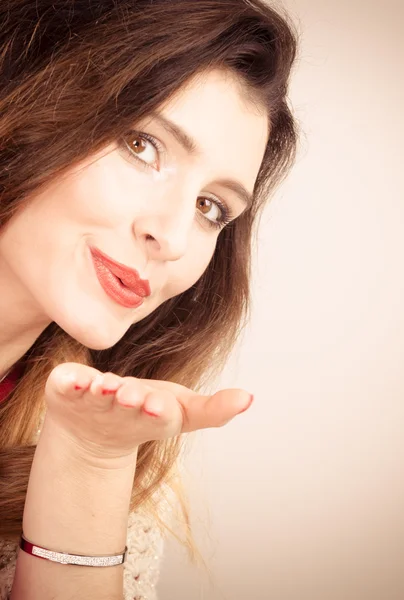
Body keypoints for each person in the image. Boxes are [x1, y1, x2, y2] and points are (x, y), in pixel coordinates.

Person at [0, 0, 298, 598]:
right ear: (30, 97)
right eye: (142, 145)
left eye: (211, 207)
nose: (173, 236)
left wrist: (88, 463)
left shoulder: (111, 441)